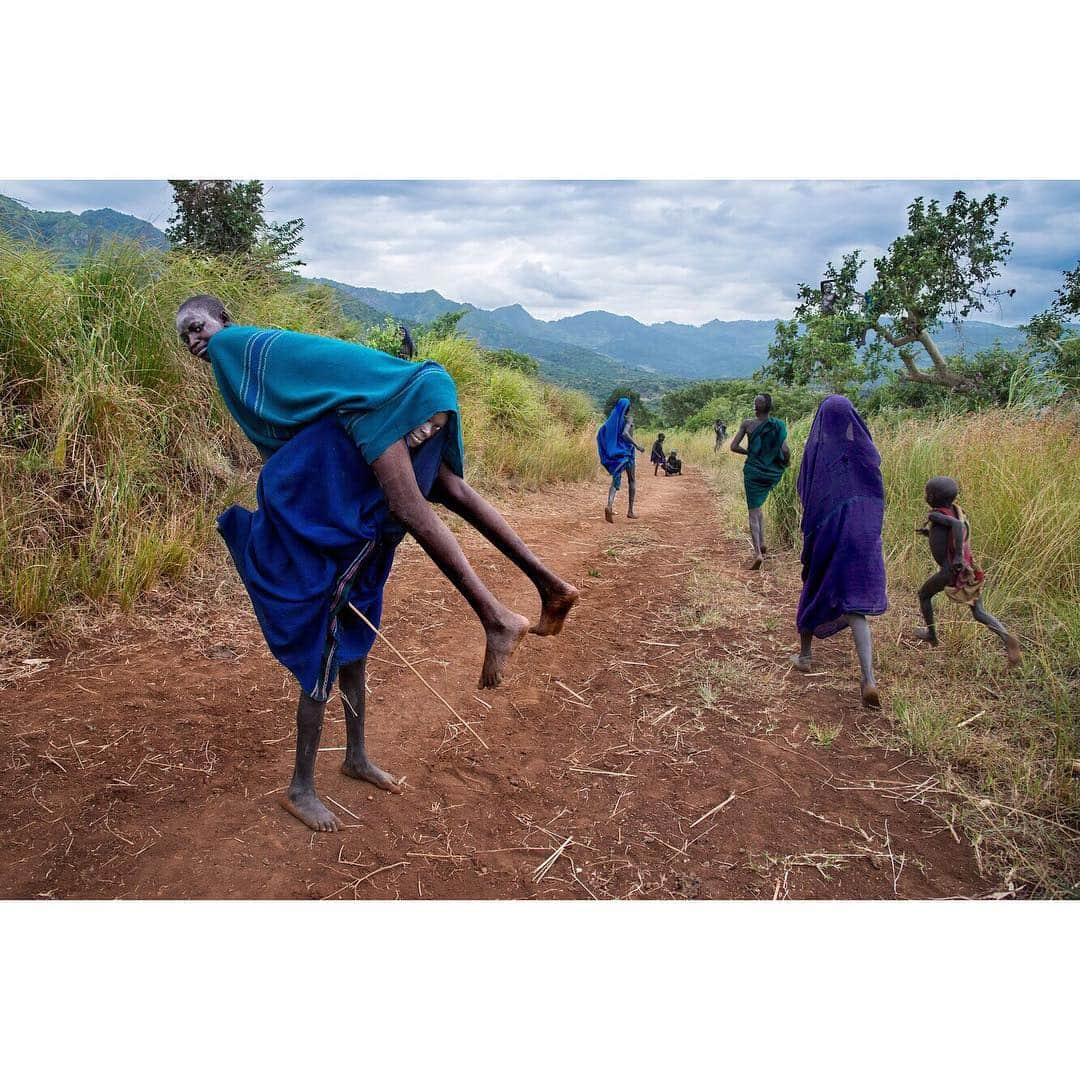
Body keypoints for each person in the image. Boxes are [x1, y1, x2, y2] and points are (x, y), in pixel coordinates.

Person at [176, 296, 580, 830]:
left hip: (390, 406)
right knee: (443, 492)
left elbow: (297, 444)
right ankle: (548, 588)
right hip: (421, 392)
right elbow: (315, 414)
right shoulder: (279, 362)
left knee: (398, 520)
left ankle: (303, 785)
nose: (194, 341)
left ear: (225, 320)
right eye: (184, 337)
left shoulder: (238, 346)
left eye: (198, 326)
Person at [790, 395, 888, 709]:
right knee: (854, 602)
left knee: (814, 585)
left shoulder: (816, 453)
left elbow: (805, 492)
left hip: (829, 529)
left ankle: (805, 656)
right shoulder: (867, 451)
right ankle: (868, 678)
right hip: (864, 531)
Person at [914, 476, 1021, 667]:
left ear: (932, 497)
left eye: (927, 493)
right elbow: (952, 532)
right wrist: (930, 534)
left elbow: (956, 527)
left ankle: (931, 635)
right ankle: (1007, 638)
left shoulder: (936, 516)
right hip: (967, 568)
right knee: (979, 612)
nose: (925, 496)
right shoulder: (955, 512)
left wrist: (956, 558)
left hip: (950, 570)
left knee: (923, 595)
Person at [730, 393, 790, 569]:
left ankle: (757, 552)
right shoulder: (778, 425)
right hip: (771, 472)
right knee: (759, 507)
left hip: (753, 472)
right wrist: (785, 463)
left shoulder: (747, 424)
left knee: (753, 511)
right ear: (769, 407)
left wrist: (750, 453)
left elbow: (733, 447)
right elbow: (785, 450)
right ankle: (763, 543)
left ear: (755, 407)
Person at [598, 396, 644, 522]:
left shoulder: (613, 420)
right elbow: (625, 433)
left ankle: (609, 505)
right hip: (627, 454)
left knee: (615, 481)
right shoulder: (629, 419)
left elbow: (602, 432)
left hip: (617, 456)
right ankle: (630, 511)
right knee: (632, 481)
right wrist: (637, 445)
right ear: (628, 408)